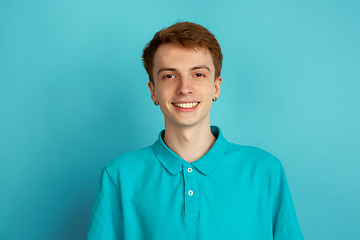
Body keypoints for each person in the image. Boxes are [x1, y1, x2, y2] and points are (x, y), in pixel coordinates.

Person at [86, 22, 304, 240]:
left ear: (216, 87)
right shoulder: (119, 176)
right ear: (153, 91)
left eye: (198, 74)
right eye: (169, 76)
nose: (184, 88)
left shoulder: (264, 170)